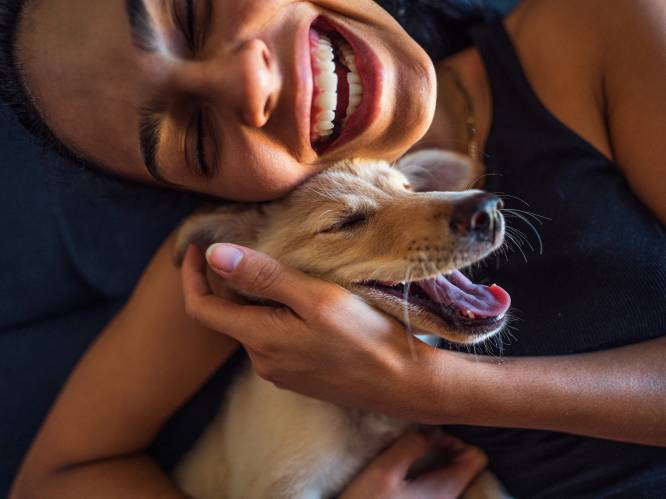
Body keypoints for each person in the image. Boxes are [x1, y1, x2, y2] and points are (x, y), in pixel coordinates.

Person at [1, 0, 664, 497]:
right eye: (196, 140)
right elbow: (59, 476)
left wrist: (438, 388)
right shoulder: (245, 252)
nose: (251, 83)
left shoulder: (608, 29)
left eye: (192, 10)